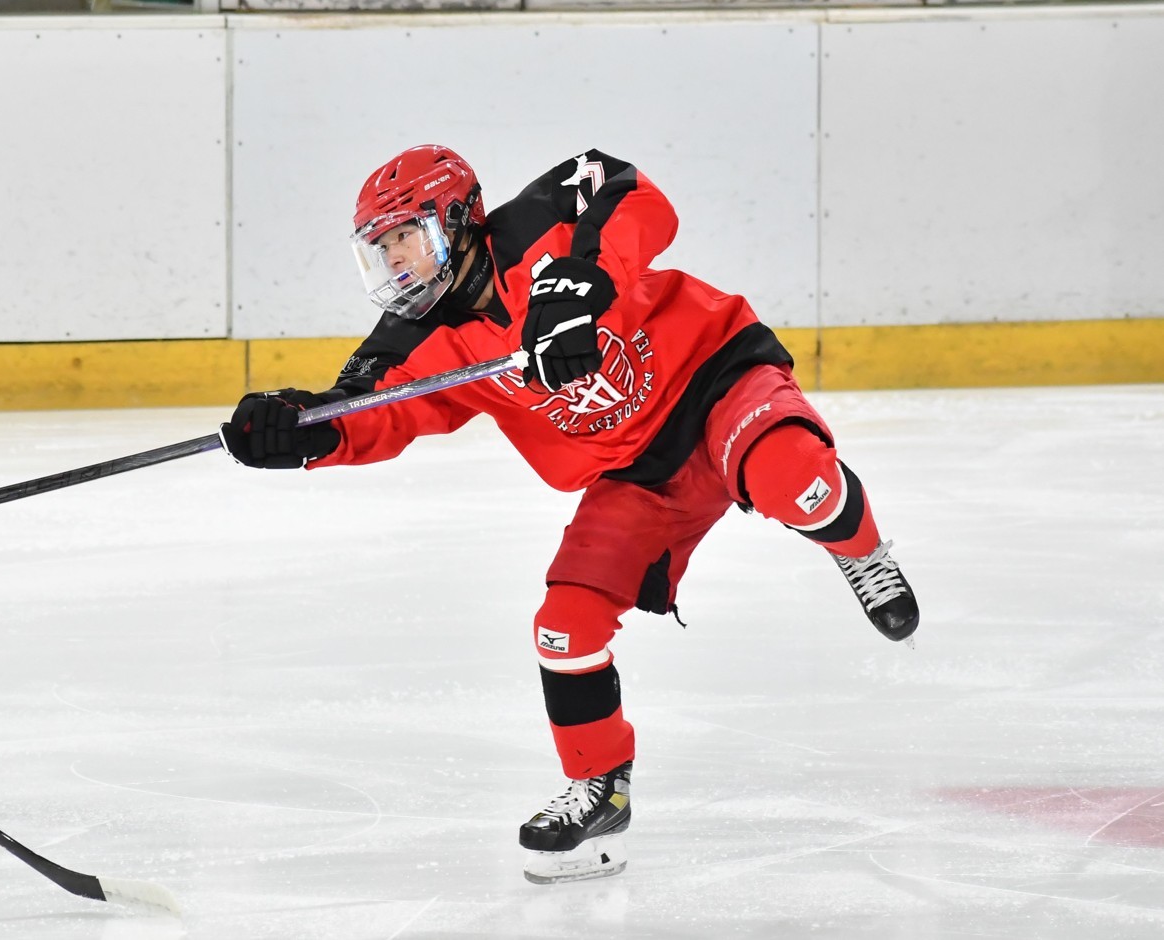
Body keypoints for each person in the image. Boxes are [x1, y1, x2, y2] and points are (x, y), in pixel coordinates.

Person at [219, 145, 919, 884]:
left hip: (715, 377)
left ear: (456, 222)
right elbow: (365, 409)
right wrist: (295, 430)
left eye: (406, 237)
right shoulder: (412, 339)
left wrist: (581, 280)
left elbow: (633, 191)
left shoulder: (538, 222)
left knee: (797, 483)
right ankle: (600, 792)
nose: (395, 261)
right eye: (381, 248)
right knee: (564, 627)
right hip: (636, 471)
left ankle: (862, 551)